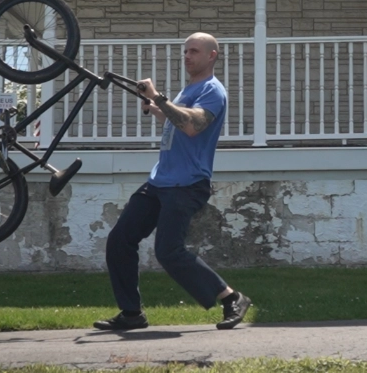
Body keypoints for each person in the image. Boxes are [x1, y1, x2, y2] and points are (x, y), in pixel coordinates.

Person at [93, 32, 251, 331]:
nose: (187, 56)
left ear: (211, 56)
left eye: (194, 51)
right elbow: (176, 120)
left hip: (187, 183)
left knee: (168, 250)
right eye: (185, 51)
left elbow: (192, 126)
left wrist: (157, 97)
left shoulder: (212, 91)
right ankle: (131, 313)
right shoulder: (189, 89)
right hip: (160, 181)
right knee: (120, 240)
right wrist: (154, 108)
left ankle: (231, 297)